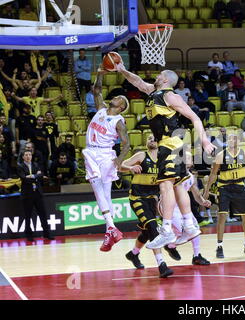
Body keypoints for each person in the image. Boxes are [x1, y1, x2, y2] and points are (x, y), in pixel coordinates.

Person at [117, 63, 215, 249]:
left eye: (160, 74)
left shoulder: (170, 96)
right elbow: (136, 81)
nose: (156, 76)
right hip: (170, 146)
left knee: (165, 185)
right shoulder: (154, 92)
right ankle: (189, 226)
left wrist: (205, 141)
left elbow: (195, 117)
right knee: (178, 186)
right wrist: (121, 69)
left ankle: (167, 230)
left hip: (170, 144)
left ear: (165, 79)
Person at [82, 66, 131, 252]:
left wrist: (119, 159)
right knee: (104, 192)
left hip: (104, 154)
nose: (115, 97)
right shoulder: (102, 109)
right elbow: (96, 90)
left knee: (98, 188)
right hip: (92, 151)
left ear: (121, 107)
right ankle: (110, 230)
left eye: (119, 98)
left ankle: (110, 228)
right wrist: (100, 74)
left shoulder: (118, 121)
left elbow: (126, 143)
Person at [119, 135, 174, 278]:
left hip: (152, 199)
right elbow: (120, 165)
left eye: (154, 138)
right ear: (146, 142)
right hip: (137, 198)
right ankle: (162, 265)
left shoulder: (164, 159)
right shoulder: (141, 155)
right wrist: (130, 167)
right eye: (149, 138)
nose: (152, 140)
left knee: (146, 231)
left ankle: (133, 254)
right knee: (152, 226)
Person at [203, 133, 245, 258]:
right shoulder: (221, 155)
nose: (231, 140)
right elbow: (213, 174)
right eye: (229, 138)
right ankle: (219, 247)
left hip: (239, 187)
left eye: (234, 138)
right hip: (224, 188)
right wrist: (206, 191)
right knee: (222, 216)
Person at [162, 163, 212, 266]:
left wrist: (203, 201)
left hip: (182, 207)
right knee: (178, 230)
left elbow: (196, 194)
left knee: (195, 229)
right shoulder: (170, 173)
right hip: (170, 205)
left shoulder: (191, 177)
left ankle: (197, 256)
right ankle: (170, 245)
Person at [17, 150, 54, 242]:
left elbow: (41, 175)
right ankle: (29, 235)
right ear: (23, 157)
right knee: (28, 216)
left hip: (37, 193)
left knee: (43, 214)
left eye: (29, 154)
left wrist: (32, 176)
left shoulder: (36, 165)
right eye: (26, 155)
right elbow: (24, 179)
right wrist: (35, 177)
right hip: (27, 194)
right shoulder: (20, 166)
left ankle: (47, 234)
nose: (28, 156)